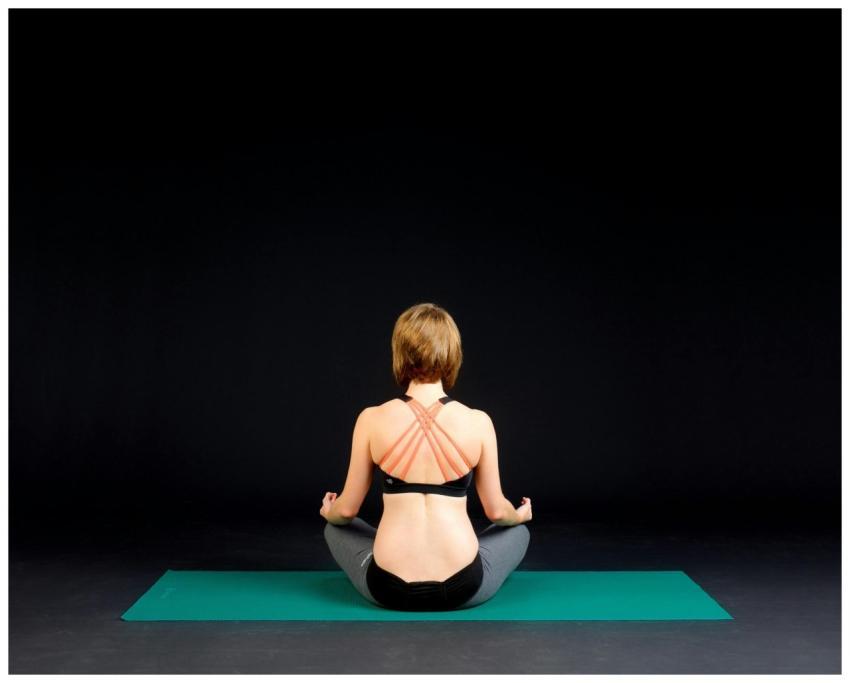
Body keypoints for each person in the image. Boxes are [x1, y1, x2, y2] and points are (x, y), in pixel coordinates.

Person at [321, 302, 532, 611]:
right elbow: (498, 512)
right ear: (452, 354)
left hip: (388, 587)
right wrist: (520, 515)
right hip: (463, 586)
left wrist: (330, 511)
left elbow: (347, 510)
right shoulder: (478, 422)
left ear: (400, 353)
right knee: (517, 531)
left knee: (334, 527)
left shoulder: (371, 419)